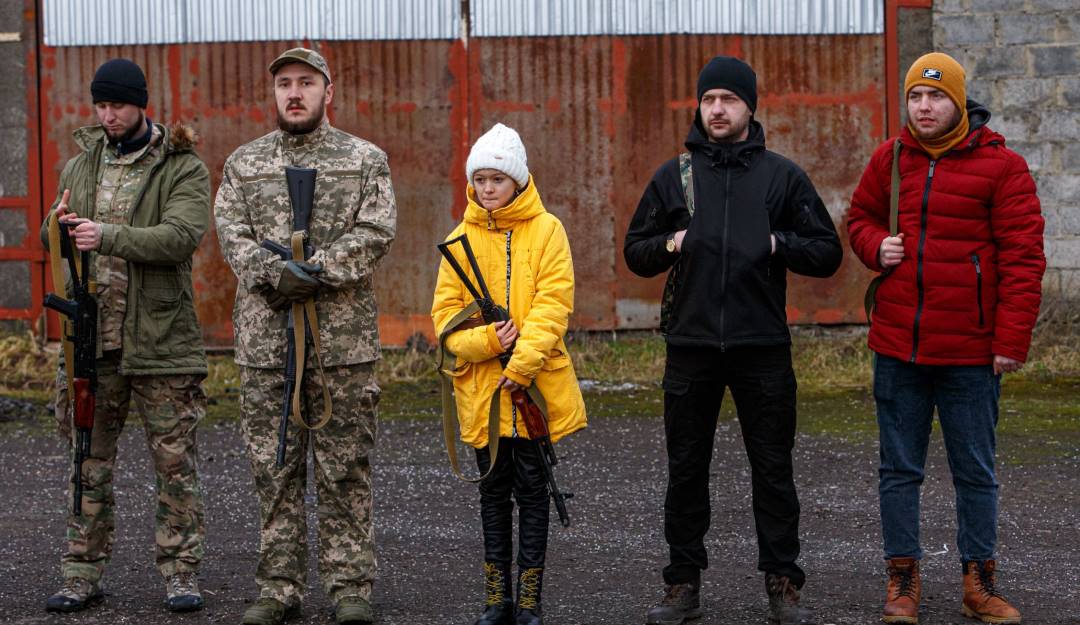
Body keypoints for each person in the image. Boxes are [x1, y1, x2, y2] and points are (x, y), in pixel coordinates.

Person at [624, 55, 842, 625]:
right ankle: (682, 585)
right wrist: (672, 242)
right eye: (708, 99)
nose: (717, 109)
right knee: (686, 470)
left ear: (750, 107)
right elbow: (635, 252)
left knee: (773, 470)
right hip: (691, 349)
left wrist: (777, 244)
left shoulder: (782, 176)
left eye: (729, 99)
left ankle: (782, 583)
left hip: (762, 348)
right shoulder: (675, 176)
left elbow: (826, 251)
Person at [847, 52, 1044, 625]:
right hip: (898, 349)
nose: (924, 106)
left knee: (975, 472)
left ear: (959, 102)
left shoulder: (1003, 167)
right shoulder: (889, 160)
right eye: (915, 97)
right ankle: (902, 580)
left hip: (971, 352)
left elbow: (1024, 259)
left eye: (936, 96)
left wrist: (1011, 339)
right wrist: (873, 246)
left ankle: (978, 583)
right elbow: (858, 218)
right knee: (898, 470)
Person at [214, 47, 396, 625]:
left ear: (328, 91)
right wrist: (275, 272)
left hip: (342, 348)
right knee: (274, 469)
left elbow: (376, 231)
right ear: (274, 93)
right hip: (267, 349)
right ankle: (278, 586)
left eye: (306, 83)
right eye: (285, 84)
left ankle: (349, 587)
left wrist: (315, 269)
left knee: (346, 468)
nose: (294, 93)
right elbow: (231, 232)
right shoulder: (244, 165)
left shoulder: (364, 160)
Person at [39, 58, 211, 614]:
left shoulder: (181, 166)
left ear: (141, 104)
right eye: (101, 106)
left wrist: (105, 234)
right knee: (86, 461)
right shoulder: (81, 163)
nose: (108, 116)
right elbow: (58, 237)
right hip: (92, 338)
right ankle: (80, 572)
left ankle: (181, 573)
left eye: (118, 105)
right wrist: (56, 225)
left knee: (175, 465)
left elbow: (180, 237)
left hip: (159, 340)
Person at [432, 123, 587, 625]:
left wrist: (520, 366)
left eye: (498, 178)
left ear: (518, 181)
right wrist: (486, 344)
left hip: (533, 390)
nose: (488, 188)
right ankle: (496, 599)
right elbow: (446, 322)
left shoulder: (548, 232)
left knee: (535, 496)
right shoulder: (459, 240)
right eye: (480, 179)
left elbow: (552, 307)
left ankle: (530, 602)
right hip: (483, 393)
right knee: (493, 497)